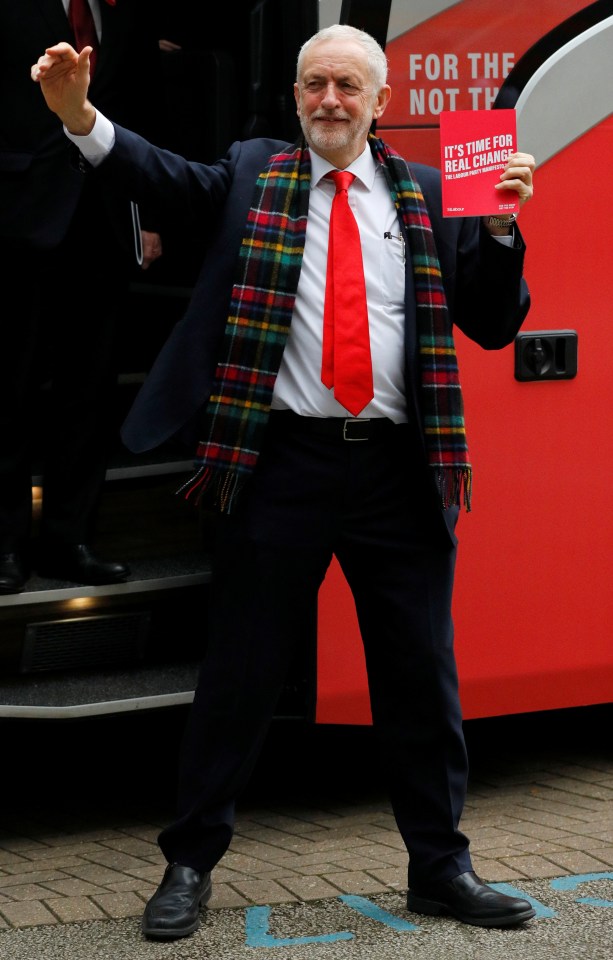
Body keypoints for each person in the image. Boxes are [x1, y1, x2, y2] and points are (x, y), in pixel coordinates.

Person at [32, 24, 537, 939]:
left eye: (348, 85)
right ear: (297, 97)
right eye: (315, 85)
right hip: (280, 466)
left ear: (381, 104)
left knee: (420, 678)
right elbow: (156, 174)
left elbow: (493, 323)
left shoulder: (428, 195)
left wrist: (500, 225)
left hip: (397, 470)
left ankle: (439, 868)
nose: (330, 100)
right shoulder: (252, 173)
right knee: (241, 675)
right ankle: (188, 863)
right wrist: (82, 119)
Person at [0, 0, 165, 593]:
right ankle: (4, 546)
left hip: (104, 221)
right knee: (8, 389)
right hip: (15, 214)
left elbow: (141, 114)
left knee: (89, 390)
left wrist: (146, 213)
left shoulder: (125, 10)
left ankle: (70, 539)